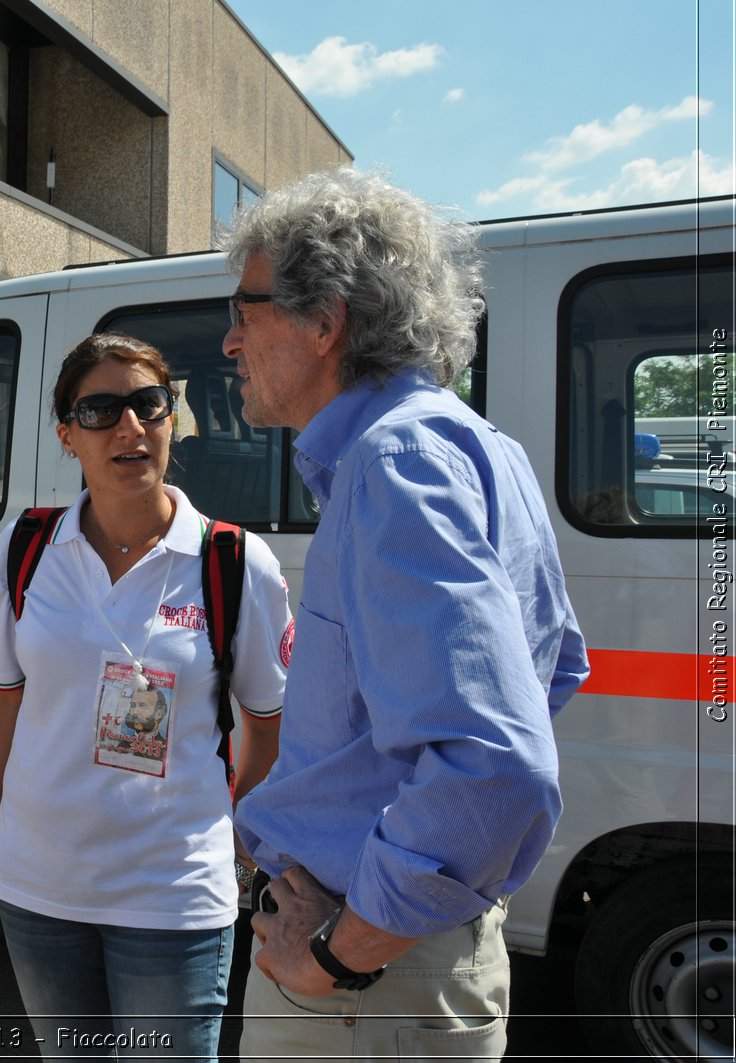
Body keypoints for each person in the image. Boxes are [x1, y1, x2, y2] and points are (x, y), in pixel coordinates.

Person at [221, 168, 589, 1060]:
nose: (229, 341)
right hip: (402, 962)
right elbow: (558, 671)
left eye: (245, 308)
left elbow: (494, 768)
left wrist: (341, 957)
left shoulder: (395, 464)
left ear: (325, 319)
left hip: (367, 989)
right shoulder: (475, 445)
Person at [0, 333, 294, 1062]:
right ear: (67, 434)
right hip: (37, 890)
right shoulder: (27, 545)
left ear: (174, 419)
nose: (129, 427)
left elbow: (268, 730)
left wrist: (236, 854)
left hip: (172, 900)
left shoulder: (235, 561)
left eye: (149, 405)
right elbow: (2, 704)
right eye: (101, 409)